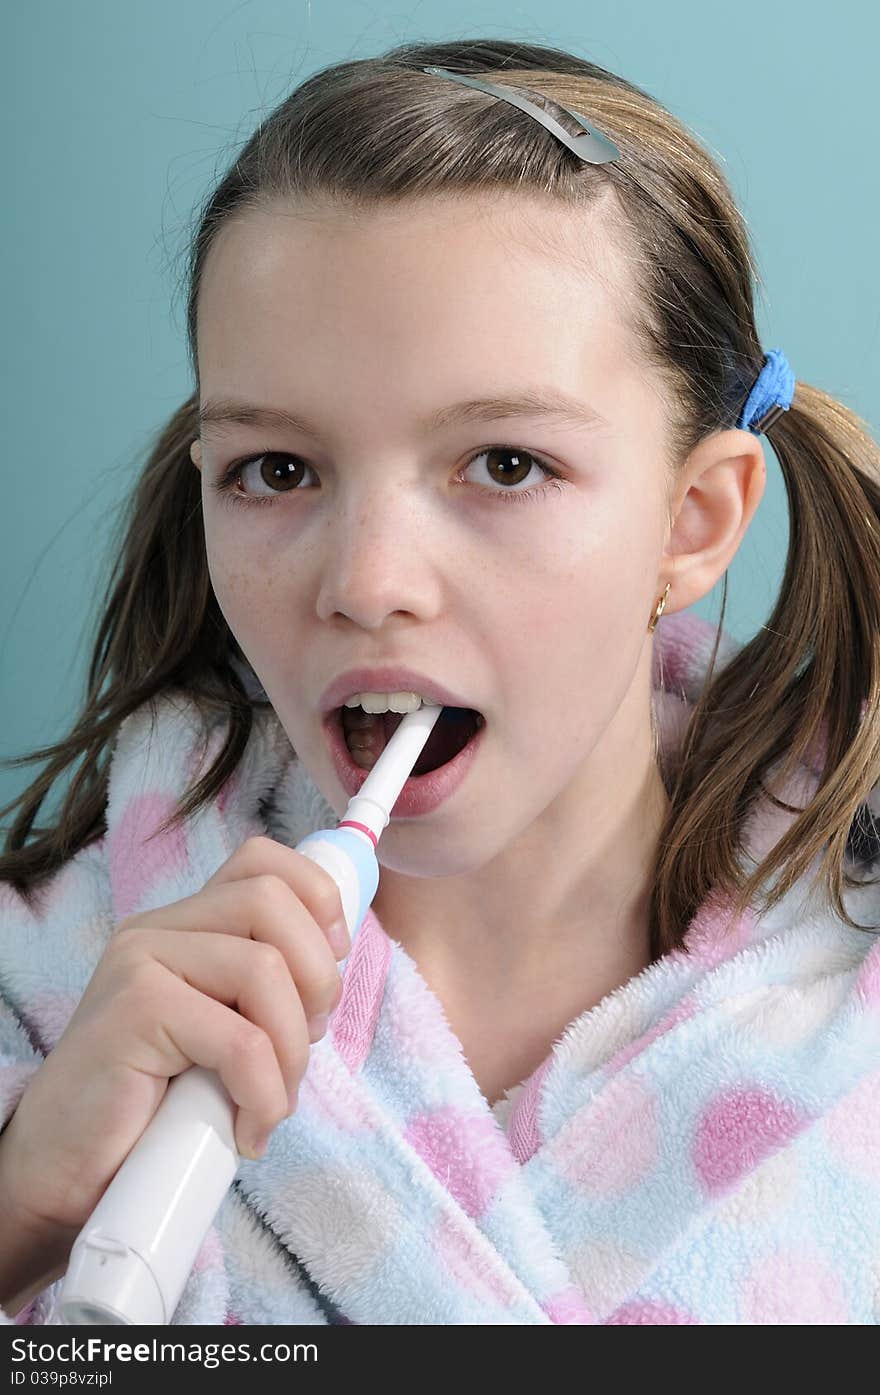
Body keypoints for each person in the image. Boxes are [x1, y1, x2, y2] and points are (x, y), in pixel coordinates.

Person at [1, 37, 879, 1326]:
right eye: (278, 471)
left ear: (693, 521)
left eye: (506, 465)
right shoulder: (47, 1001)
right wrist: (22, 1213)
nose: (367, 582)